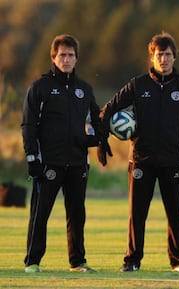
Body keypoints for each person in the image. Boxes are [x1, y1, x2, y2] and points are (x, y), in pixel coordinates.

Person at [97, 32, 179, 272]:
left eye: (167, 54)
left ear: (174, 57)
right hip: (141, 161)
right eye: (159, 55)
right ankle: (132, 260)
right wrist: (101, 139)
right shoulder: (138, 85)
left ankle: (177, 261)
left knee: (176, 214)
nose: (163, 59)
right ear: (152, 57)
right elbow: (107, 110)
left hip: (173, 161)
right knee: (137, 214)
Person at [21, 34, 105, 273]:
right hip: (49, 162)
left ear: (76, 58)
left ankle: (77, 261)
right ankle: (33, 261)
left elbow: (98, 121)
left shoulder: (84, 89)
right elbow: (28, 125)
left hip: (78, 162)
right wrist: (31, 157)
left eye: (70, 55)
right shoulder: (40, 88)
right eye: (62, 55)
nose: (66, 59)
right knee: (40, 213)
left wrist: (93, 140)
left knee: (77, 214)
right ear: (53, 57)